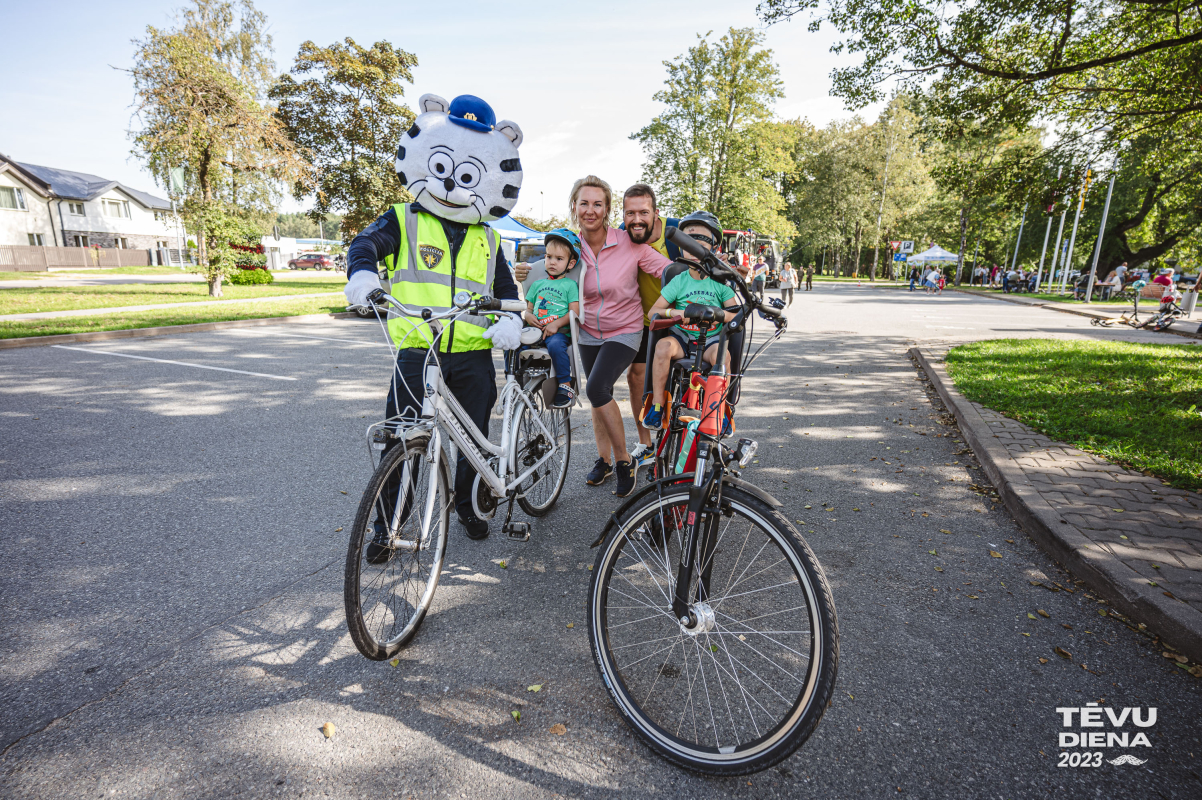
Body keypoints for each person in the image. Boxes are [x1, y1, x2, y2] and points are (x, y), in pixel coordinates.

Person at [343, 92, 525, 545]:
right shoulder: (403, 219)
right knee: (401, 443)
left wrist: (509, 320)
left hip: (473, 354)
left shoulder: (488, 237)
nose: (453, 184)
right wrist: (363, 278)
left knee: (473, 441)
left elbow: (505, 290)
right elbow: (364, 246)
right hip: (416, 350)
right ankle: (388, 528)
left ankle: (466, 505)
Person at [569, 175, 670, 497]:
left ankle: (625, 460)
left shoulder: (628, 242)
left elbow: (668, 271)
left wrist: (707, 276)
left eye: (597, 204)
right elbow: (550, 270)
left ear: (608, 209)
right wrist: (527, 272)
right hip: (587, 332)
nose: (590, 210)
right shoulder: (571, 246)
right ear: (574, 207)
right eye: (584, 203)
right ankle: (604, 460)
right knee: (601, 397)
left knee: (596, 387)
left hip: (625, 330)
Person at [643, 212, 740, 430]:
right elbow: (654, 312)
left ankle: (721, 409)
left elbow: (735, 315)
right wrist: (676, 313)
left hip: (709, 342)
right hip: (682, 339)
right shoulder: (679, 280)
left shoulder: (719, 281)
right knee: (662, 346)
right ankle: (657, 407)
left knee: (722, 356)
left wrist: (716, 313)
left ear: (714, 247)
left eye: (701, 243)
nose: (694, 248)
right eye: (688, 242)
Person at [618, 184, 680, 471]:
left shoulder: (677, 233)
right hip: (645, 321)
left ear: (657, 212)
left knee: (688, 379)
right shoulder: (621, 235)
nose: (637, 219)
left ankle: (688, 440)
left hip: (680, 319)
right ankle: (646, 445)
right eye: (630, 213)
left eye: (644, 212)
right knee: (636, 377)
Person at [523, 228, 581, 408]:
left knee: (556, 346)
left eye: (559, 259)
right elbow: (528, 310)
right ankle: (522, 388)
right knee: (515, 345)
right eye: (549, 257)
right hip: (537, 330)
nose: (552, 262)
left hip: (558, 332)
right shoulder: (537, 284)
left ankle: (565, 384)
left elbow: (575, 312)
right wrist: (529, 316)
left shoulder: (570, 285)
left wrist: (556, 324)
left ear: (570, 264)